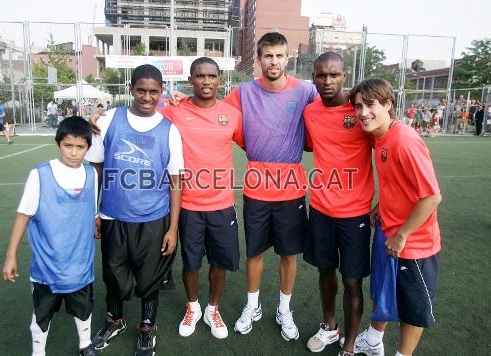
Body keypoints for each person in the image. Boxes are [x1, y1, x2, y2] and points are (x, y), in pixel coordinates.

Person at [85, 64, 183, 356]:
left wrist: (173, 227)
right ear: (131, 89)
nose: (147, 97)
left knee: (149, 277)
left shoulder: (169, 130)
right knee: (114, 275)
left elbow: (176, 181)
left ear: (161, 92)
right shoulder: (108, 120)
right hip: (114, 215)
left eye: (154, 91)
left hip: (153, 218)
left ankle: (147, 327)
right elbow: (97, 170)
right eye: (141, 90)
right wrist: (95, 212)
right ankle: (115, 320)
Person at [226, 32, 317, 341]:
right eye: (268, 56)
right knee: (254, 252)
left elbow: (326, 117)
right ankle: (253, 306)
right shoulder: (242, 92)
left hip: (291, 188)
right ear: (259, 59)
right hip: (255, 187)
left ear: (287, 57)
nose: (274, 61)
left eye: (279, 55)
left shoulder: (306, 91)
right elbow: (216, 116)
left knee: (289, 253)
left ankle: (284, 309)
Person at [348, 78, 442, 356]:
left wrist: (402, 235)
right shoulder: (381, 137)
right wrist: (382, 204)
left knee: (412, 308)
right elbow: (400, 185)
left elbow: (431, 196)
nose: (363, 112)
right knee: (386, 292)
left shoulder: (404, 140)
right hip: (390, 231)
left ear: (388, 104)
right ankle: (374, 339)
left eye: (371, 104)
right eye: (358, 106)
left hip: (414, 245)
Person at [159, 57, 243, 340]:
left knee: (219, 262)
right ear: (190, 80)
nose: (206, 81)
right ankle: (192, 306)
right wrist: (101, 116)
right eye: (199, 76)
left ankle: (213, 308)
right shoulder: (176, 111)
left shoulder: (231, 114)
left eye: (211, 76)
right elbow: (142, 114)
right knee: (191, 262)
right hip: (188, 206)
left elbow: (250, 141)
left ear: (219, 79)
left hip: (222, 205)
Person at [1, 117, 99, 356]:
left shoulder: (91, 174)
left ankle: (85, 345)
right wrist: (10, 255)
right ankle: (39, 352)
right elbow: (24, 214)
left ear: (87, 148)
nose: (74, 153)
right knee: (42, 312)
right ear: (58, 144)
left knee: (83, 308)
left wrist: (96, 223)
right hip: (47, 265)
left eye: (80, 147)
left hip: (80, 263)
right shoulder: (40, 174)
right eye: (68, 146)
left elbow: (91, 211)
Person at [302, 53, 374, 356]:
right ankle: (330, 328)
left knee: (352, 280)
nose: (327, 81)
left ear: (345, 76)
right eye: (321, 75)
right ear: (314, 77)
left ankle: (350, 343)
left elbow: (386, 150)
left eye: (334, 75)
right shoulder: (310, 112)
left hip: (354, 213)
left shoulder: (361, 111)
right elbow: (308, 144)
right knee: (325, 271)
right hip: (320, 208)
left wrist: (383, 202)